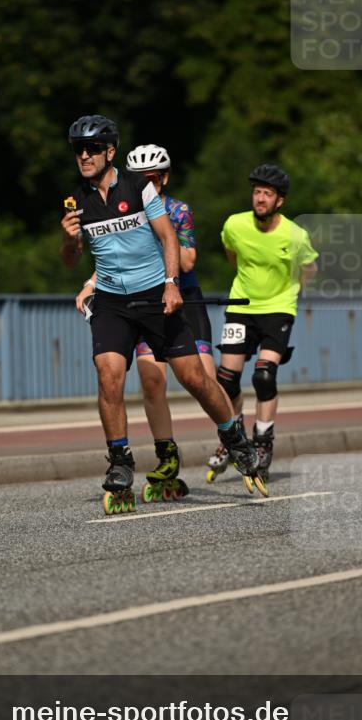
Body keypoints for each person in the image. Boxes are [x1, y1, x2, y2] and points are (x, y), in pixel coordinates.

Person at [60, 114, 265, 513]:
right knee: (108, 374)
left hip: (155, 295)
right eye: (78, 149)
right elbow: (71, 259)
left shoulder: (139, 187)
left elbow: (168, 237)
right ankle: (120, 461)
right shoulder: (77, 202)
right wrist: (68, 242)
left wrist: (171, 283)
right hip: (112, 302)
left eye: (92, 149)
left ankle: (235, 438)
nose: (84, 156)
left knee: (195, 378)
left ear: (110, 152)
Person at [75, 144, 216, 502]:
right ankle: (167, 455)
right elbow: (113, 256)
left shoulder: (177, 210)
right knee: (152, 380)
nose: (145, 182)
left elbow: (187, 262)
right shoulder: (119, 202)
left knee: (203, 378)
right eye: (141, 177)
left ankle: (232, 437)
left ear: (163, 178)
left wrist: (155, 237)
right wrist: (92, 283)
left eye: (152, 178)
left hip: (180, 296)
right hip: (139, 301)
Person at [207, 164, 318, 482]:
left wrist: (290, 293)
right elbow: (232, 255)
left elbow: (310, 268)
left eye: (267, 194)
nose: (260, 198)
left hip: (278, 310)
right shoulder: (235, 224)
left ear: (279, 201)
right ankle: (234, 438)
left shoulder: (295, 235)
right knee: (226, 379)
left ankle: (263, 442)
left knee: (264, 376)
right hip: (241, 306)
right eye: (257, 192)